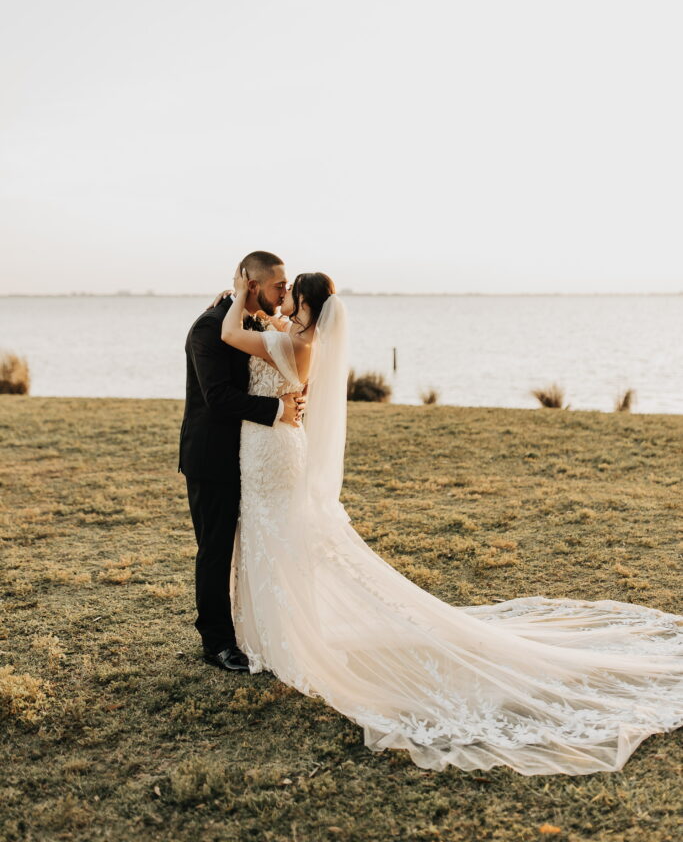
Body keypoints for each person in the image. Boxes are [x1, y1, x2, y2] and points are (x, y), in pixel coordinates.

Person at [214, 263, 683, 776]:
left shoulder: (297, 344)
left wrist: (240, 294)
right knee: (273, 536)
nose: (282, 299)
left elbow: (231, 333)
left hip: (274, 453)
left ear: (304, 305)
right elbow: (263, 335)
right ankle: (270, 635)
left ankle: (283, 639)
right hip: (268, 448)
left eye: (290, 294)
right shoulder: (295, 336)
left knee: (277, 535)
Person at [178, 251, 306, 672]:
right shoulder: (208, 327)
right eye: (278, 286)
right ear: (253, 286)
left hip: (253, 457)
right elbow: (217, 397)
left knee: (252, 547)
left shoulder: (256, 322)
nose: (284, 292)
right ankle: (216, 642)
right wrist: (276, 410)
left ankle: (256, 629)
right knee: (215, 551)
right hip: (212, 457)